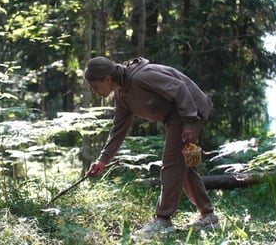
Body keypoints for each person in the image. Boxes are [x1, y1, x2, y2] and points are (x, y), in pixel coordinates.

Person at [84, 56, 218, 238]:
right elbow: (118, 128)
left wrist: (189, 122)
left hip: (188, 111)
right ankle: (208, 215)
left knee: (172, 164)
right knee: (186, 164)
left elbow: (179, 88)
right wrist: (103, 160)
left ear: (107, 79)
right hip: (178, 117)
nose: (95, 91)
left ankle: (163, 220)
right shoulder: (121, 95)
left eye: (95, 86)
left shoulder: (141, 77)